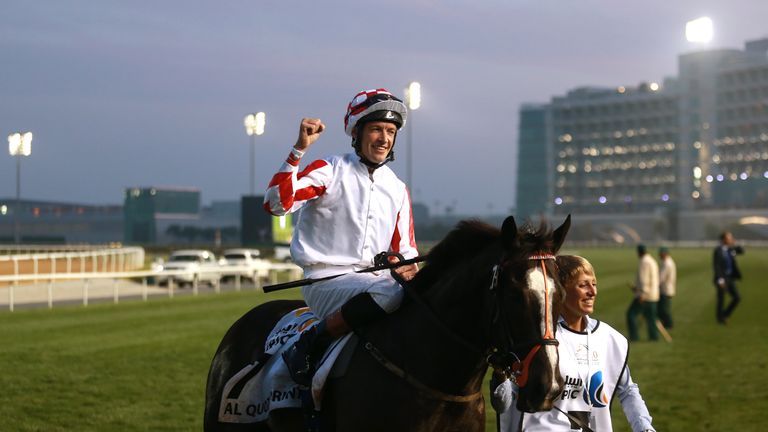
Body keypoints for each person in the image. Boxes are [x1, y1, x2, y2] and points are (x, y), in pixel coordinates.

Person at [263, 88, 419, 386]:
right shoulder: (330, 169)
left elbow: (407, 252)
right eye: (376, 129)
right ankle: (309, 342)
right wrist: (299, 149)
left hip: (372, 284)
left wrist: (411, 271)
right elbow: (276, 204)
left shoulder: (397, 188)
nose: (384, 139)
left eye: (390, 131)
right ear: (357, 133)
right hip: (325, 283)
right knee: (391, 292)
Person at [491, 255, 656, 432]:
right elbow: (504, 402)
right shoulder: (537, 340)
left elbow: (628, 390)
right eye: (583, 285)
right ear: (560, 291)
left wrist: (644, 427)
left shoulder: (610, 339)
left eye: (594, 284)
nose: (592, 292)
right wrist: (500, 376)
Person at [626, 244, 659, 342]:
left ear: (639, 252)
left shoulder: (644, 262)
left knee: (631, 314)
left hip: (645, 296)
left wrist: (642, 294)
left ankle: (634, 336)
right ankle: (654, 337)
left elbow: (644, 279)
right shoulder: (652, 260)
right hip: (654, 294)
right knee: (651, 318)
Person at [713, 231, 744, 325]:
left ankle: (725, 314)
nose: (730, 239)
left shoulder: (731, 249)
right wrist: (720, 280)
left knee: (737, 297)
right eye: (729, 238)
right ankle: (720, 319)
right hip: (722, 278)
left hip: (730, 277)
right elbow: (716, 265)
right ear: (723, 239)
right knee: (721, 299)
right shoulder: (718, 250)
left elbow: (742, 251)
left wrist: (735, 243)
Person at [657, 246, 676, 329]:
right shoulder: (667, 261)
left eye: (661, 253)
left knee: (663, 309)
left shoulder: (667, 263)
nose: (659, 255)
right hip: (667, 288)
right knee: (663, 308)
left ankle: (669, 324)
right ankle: (666, 323)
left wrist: (655, 285)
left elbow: (661, 277)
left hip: (666, 289)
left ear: (664, 253)